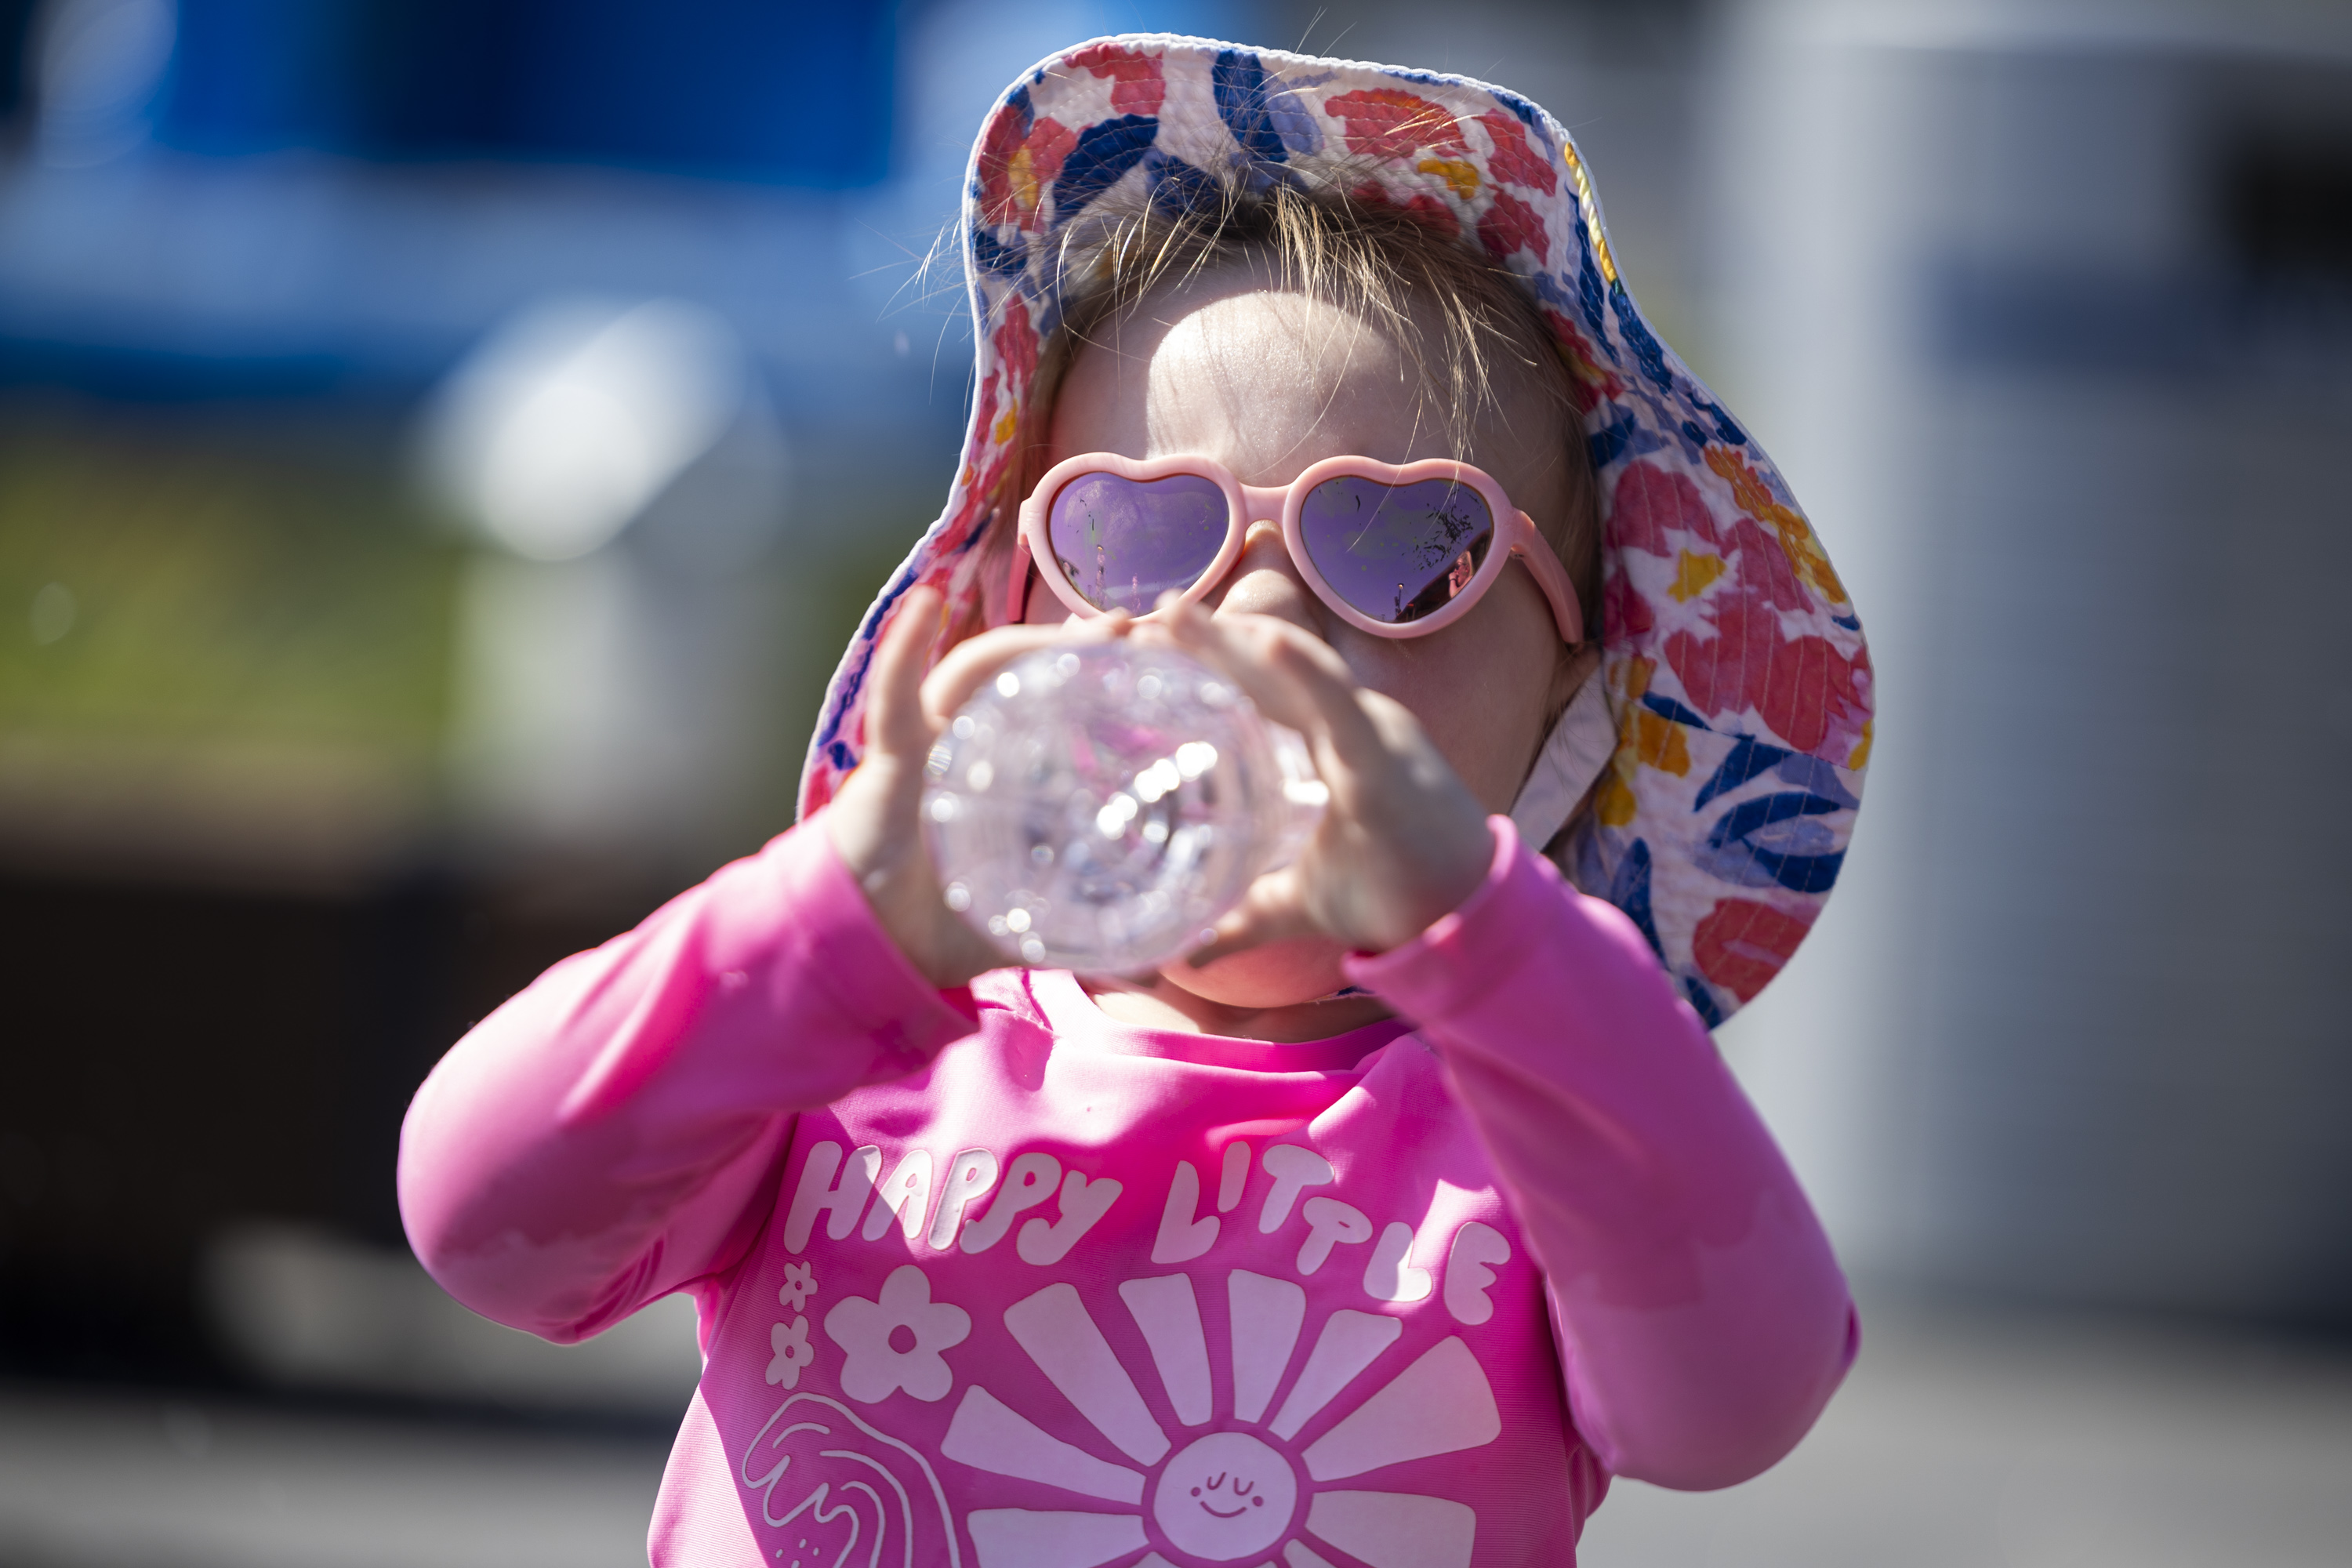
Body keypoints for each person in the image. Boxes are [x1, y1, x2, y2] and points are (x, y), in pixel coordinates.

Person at [400, 35, 1874, 1568]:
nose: (1252, 631)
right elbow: (484, 1224)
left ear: (1568, 714)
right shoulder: (835, 1039)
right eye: (1138, 532)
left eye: (1401, 551)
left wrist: (1496, 945)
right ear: (1017, 621)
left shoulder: (1547, 1131)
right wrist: (842, 920)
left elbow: (1736, 1411)